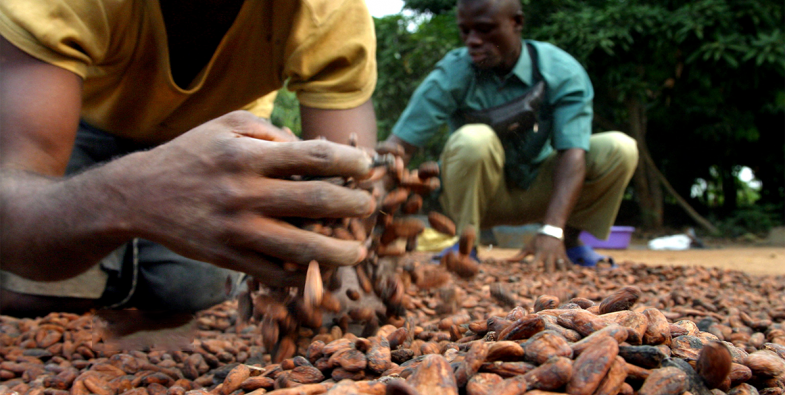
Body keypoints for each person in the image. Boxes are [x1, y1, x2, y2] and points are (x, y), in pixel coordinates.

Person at [0, 0, 379, 317]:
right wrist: (131, 194)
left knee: (192, 292)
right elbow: (11, 202)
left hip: (222, 141)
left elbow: (349, 196)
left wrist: (341, 269)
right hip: (80, 120)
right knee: (26, 291)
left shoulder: (330, 10)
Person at [385, 0, 639, 271]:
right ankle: (466, 246)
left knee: (620, 148)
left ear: (516, 22)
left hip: (543, 189)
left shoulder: (560, 70)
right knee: (473, 139)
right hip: (479, 197)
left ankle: (569, 242)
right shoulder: (454, 72)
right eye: (465, 31)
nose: (472, 41)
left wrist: (554, 229)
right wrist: (367, 203)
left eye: (484, 29)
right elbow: (399, 146)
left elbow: (573, 152)